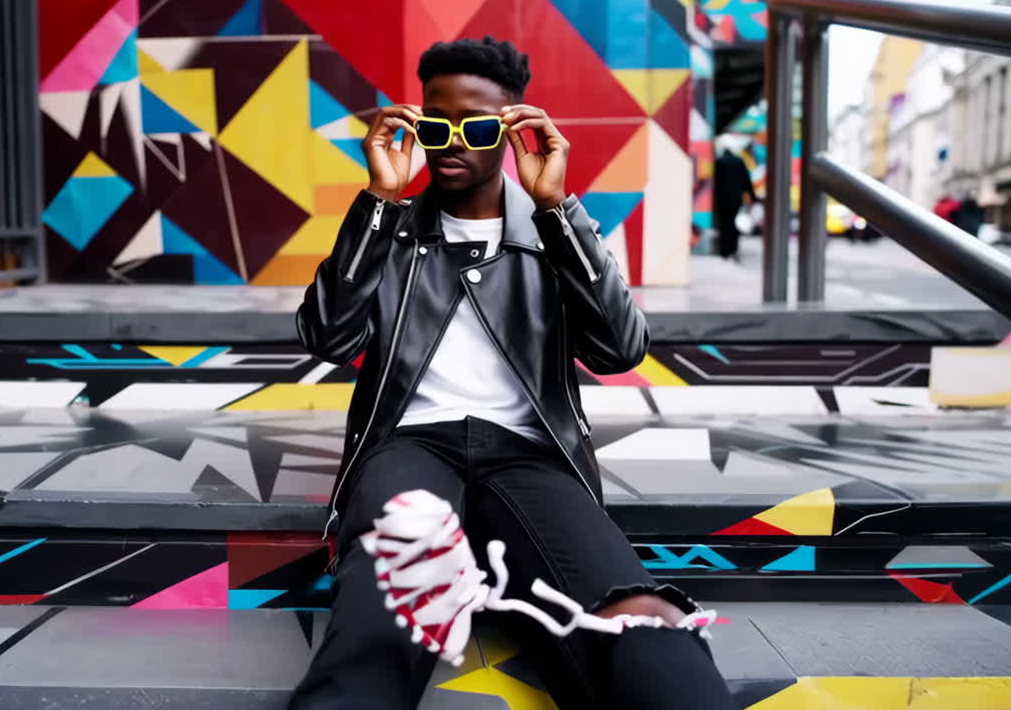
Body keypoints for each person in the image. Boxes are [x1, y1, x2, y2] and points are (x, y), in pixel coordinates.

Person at [290, 36, 736, 710]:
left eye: (474, 127)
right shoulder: (392, 230)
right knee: (385, 592)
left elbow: (620, 350)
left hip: (530, 453)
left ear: (510, 130)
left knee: (638, 611)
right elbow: (327, 336)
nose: (451, 143)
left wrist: (557, 210)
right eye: (436, 125)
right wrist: (379, 198)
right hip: (410, 446)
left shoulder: (552, 231)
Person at [713, 140, 756, 262]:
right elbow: (746, 180)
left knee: (724, 225)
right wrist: (752, 197)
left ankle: (724, 250)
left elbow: (715, 182)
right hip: (736, 199)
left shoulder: (719, 162)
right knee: (734, 225)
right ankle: (733, 248)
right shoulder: (739, 162)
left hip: (722, 199)